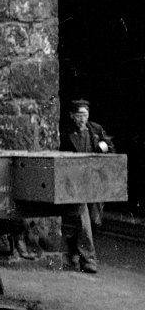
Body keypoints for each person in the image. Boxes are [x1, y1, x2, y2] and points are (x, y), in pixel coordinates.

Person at [59, 99, 114, 274]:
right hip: (76, 183)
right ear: (72, 116)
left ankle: (73, 244)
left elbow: (111, 147)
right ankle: (89, 259)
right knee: (84, 221)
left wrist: (102, 147)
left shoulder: (96, 130)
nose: (82, 119)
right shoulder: (66, 133)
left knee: (95, 221)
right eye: (79, 115)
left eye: (85, 115)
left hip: (94, 181)